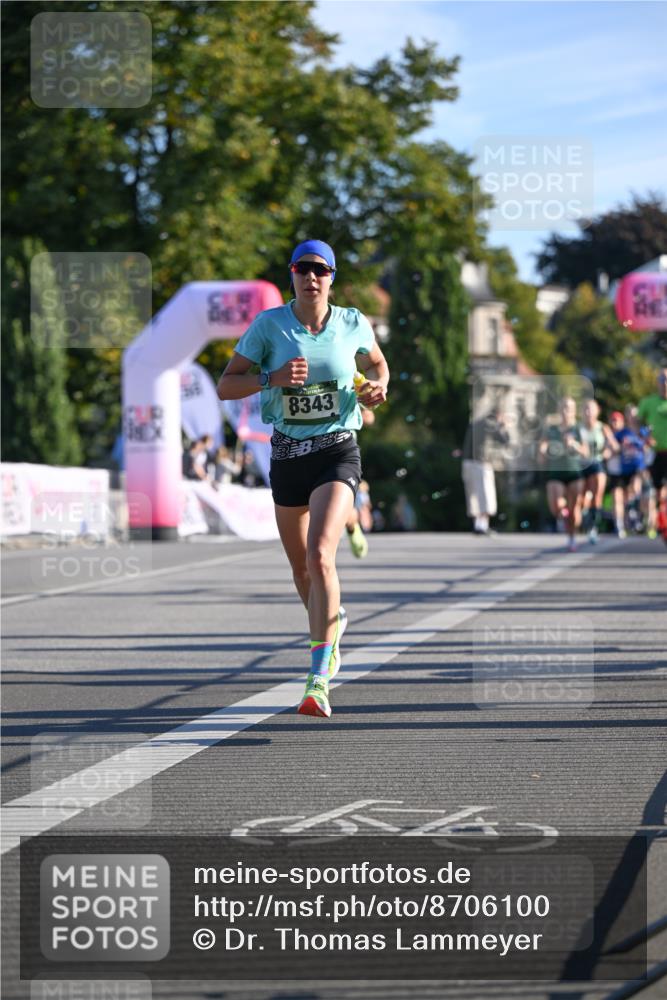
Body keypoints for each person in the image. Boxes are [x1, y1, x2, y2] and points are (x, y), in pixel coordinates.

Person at [217, 239, 389, 718]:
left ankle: (318, 676)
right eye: (303, 268)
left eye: (321, 270)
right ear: (291, 274)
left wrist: (380, 387)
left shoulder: (352, 322)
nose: (312, 277)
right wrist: (272, 379)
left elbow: (377, 362)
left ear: (332, 277)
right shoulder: (269, 326)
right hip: (288, 453)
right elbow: (227, 384)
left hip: (337, 450)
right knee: (301, 571)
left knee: (320, 554)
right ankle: (333, 622)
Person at [539, 397, 588, 552]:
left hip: (574, 471)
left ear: (574, 411)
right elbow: (543, 446)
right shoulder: (552, 429)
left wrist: (574, 445)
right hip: (556, 471)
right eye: (564, 407)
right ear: (559, 410)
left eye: (570, 408)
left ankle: (572, 538)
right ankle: (562, 516)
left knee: (575, 509)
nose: (566, 411)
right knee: (556, 505)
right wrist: (543, 450)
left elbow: (586, 452)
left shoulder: (579, 428)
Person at [460, 406, 510, 535]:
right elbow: (504, 440)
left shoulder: (475, 423)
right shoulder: (491, 424)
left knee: (472, 494)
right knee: (486, 494)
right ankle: (483, 525)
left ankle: (477, 524)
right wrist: (503, 425)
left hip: (467, 462)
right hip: (480, 463)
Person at [579, 399, 617, 544]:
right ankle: (584, 517)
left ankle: (593, 527)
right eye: (586, 409)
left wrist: (608, 451)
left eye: (591, 409)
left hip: (597, 463)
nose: (588, 412)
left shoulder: (602, 428)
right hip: (581, 465)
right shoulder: (579, 427)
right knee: (581, 498)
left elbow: (615, 446)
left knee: (597, 495)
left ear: (597, 411)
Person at [638, 366, 667, 539]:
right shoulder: (648, 403)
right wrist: (644, 437)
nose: (665, 383)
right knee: (656, 492)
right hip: (655, 454)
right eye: (662, 379)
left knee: (664, 491)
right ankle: (657, 523)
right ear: (657, 383)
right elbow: (637, 424)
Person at [606, 410, 645, 537]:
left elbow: (645, 447)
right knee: (617, 498)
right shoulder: (618, 434)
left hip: (632, 469)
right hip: (617, 471)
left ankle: (634, 514)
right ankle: (619, 525)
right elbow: (612, 449)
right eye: (613, 421)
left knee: (633, 491)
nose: (615, 423)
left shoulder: (636, 432)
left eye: (617, 420)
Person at [344, 406, 375, 558]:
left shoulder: (347, 382)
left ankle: (351, 525)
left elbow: (370, 417)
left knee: (342, 505)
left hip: (341, 448)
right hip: (302, 446)